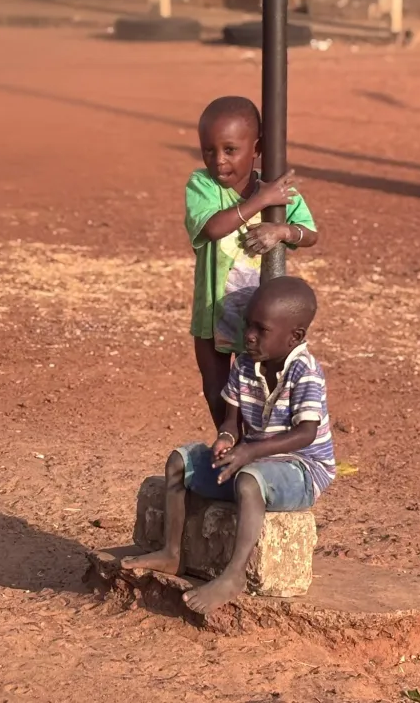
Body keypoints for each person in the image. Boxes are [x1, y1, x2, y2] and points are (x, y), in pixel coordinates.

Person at [122, 276, 334, 614]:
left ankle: (234, 575)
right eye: (248, 324)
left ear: (294, 336)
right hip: (251, 460)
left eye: (261, 329)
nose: (249, 335)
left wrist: (248, 452)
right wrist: (227, 439)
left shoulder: (304, 371)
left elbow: (306, 433)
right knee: (180, 461)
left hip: (300, 470)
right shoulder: (246, 365)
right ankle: (171, 553)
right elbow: (232, 422)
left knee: (249, 481)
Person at [185, 96, 318, 427]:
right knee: (216, 390)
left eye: (230, 150)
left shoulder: (279, 193)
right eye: (209, 150)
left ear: (256, 148)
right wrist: (262, 200)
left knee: (257, 390)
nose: (218, 160)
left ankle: (257, 447)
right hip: (212, 313)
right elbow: (214, 227)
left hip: (260, 321)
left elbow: (310, 233)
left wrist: (283, 230)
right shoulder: (202, 185)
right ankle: (230, 443)